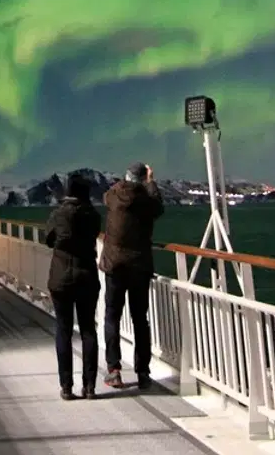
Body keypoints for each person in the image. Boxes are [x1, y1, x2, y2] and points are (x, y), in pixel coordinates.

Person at [100, 161, 165, 390]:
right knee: (140, 320)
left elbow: (106, 196)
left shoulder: (113, 196)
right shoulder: (147, 201)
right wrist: (152, 182)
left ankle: (114, 370)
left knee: (112, 317)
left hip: (114, 265)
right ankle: (143, 373)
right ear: (143, 179)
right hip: (139, 266)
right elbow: (159, 207)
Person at [44, 170, 102, 400]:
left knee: (63, 330)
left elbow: (48, 240)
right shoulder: (93, 215)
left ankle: (66, 386)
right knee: (88, 330)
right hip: (87, 276)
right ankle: (90, 387)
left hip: (61, 278)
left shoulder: (58, 214)